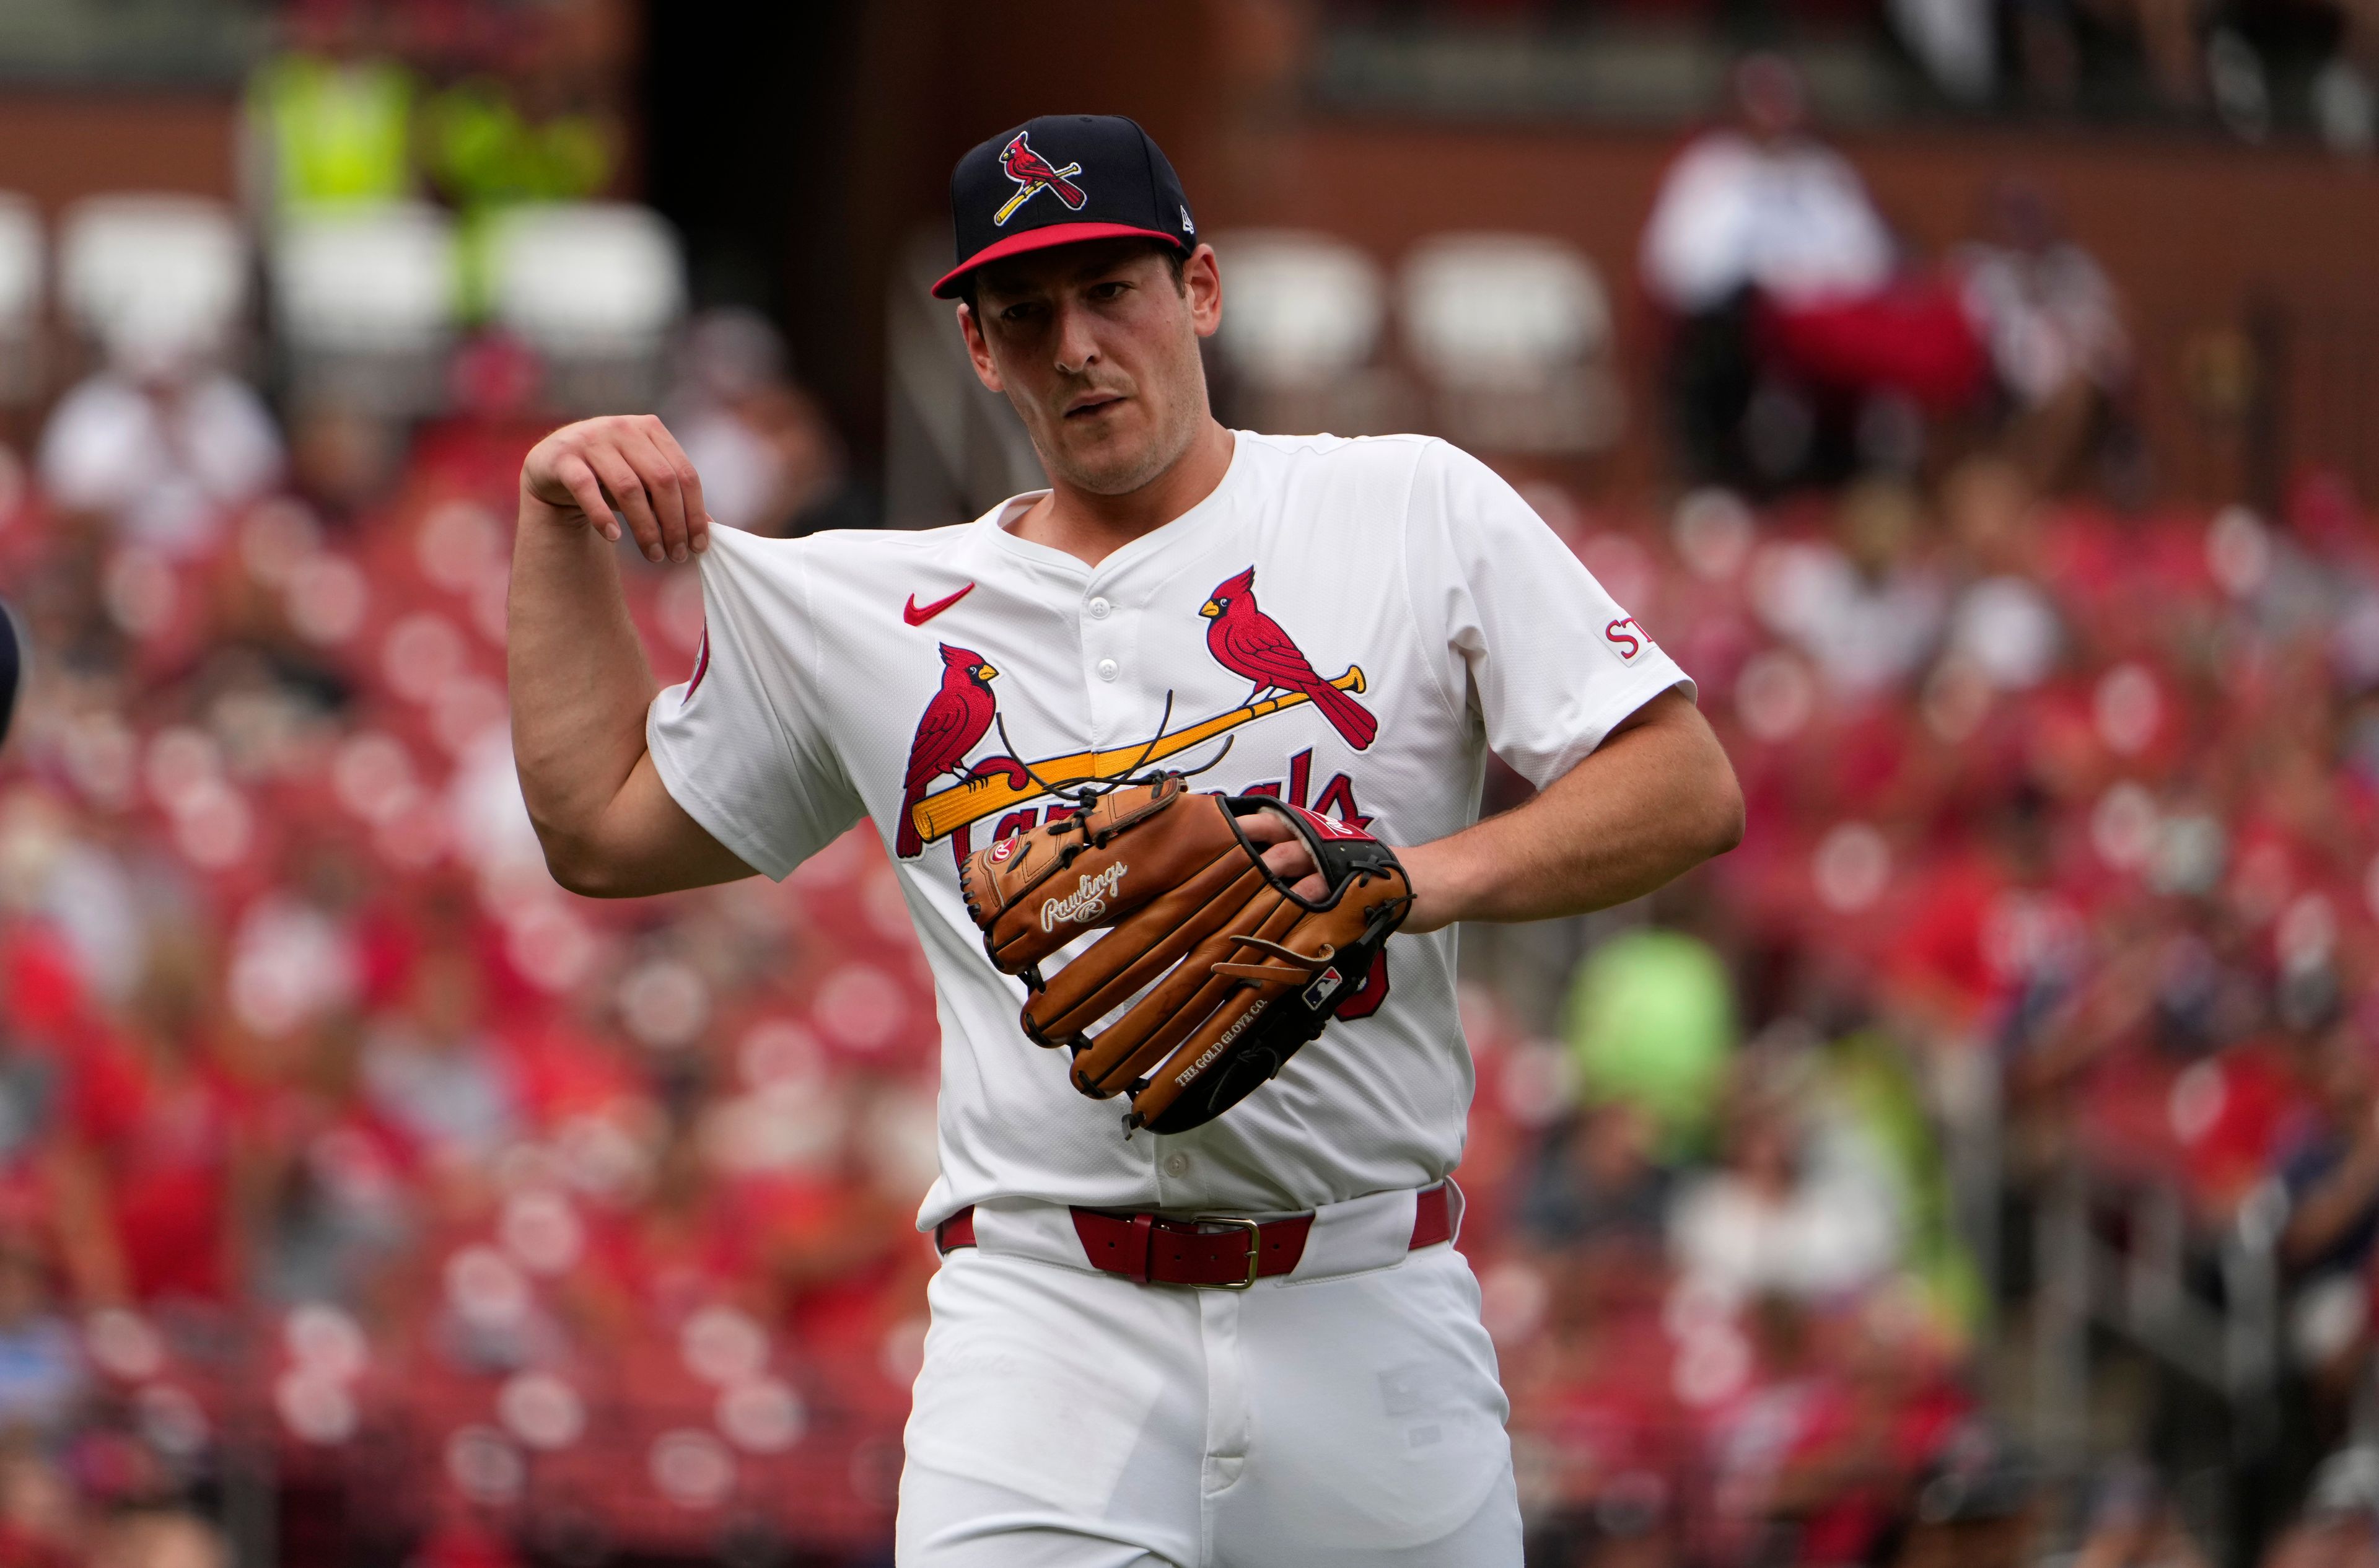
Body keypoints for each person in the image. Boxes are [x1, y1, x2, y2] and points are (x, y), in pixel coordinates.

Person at [504, 113, 1743, 1564]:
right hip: (1042, 1329)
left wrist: (1413, 880)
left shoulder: (1407, 504)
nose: (1077, 344)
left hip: (1368, 1295)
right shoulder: (871, 606)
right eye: (1024, 313)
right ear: (979, 351)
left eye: (1114, 292)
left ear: (1200, 290)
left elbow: (1684, 785)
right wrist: (553, 523)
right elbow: (599, 831)